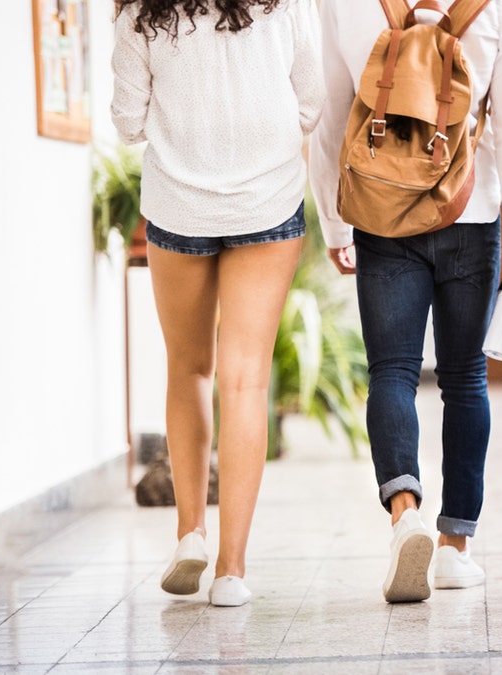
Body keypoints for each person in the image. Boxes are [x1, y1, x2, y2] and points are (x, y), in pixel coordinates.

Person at [309, 0, 502, 603]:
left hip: (383, 209)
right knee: (465, 380)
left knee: (391, 371)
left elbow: (333, 111)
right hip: (472, 206)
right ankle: (455, 549)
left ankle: (404, 513)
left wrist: (338, 223)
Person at [111, 0, 325, 607]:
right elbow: (310, 103)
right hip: (267, 200)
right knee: (244, 382)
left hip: (178, 206)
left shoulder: (139, 16)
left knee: (188, 368)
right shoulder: (284, 7)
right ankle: (231, 570)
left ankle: (189, 534)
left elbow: (128, 122)